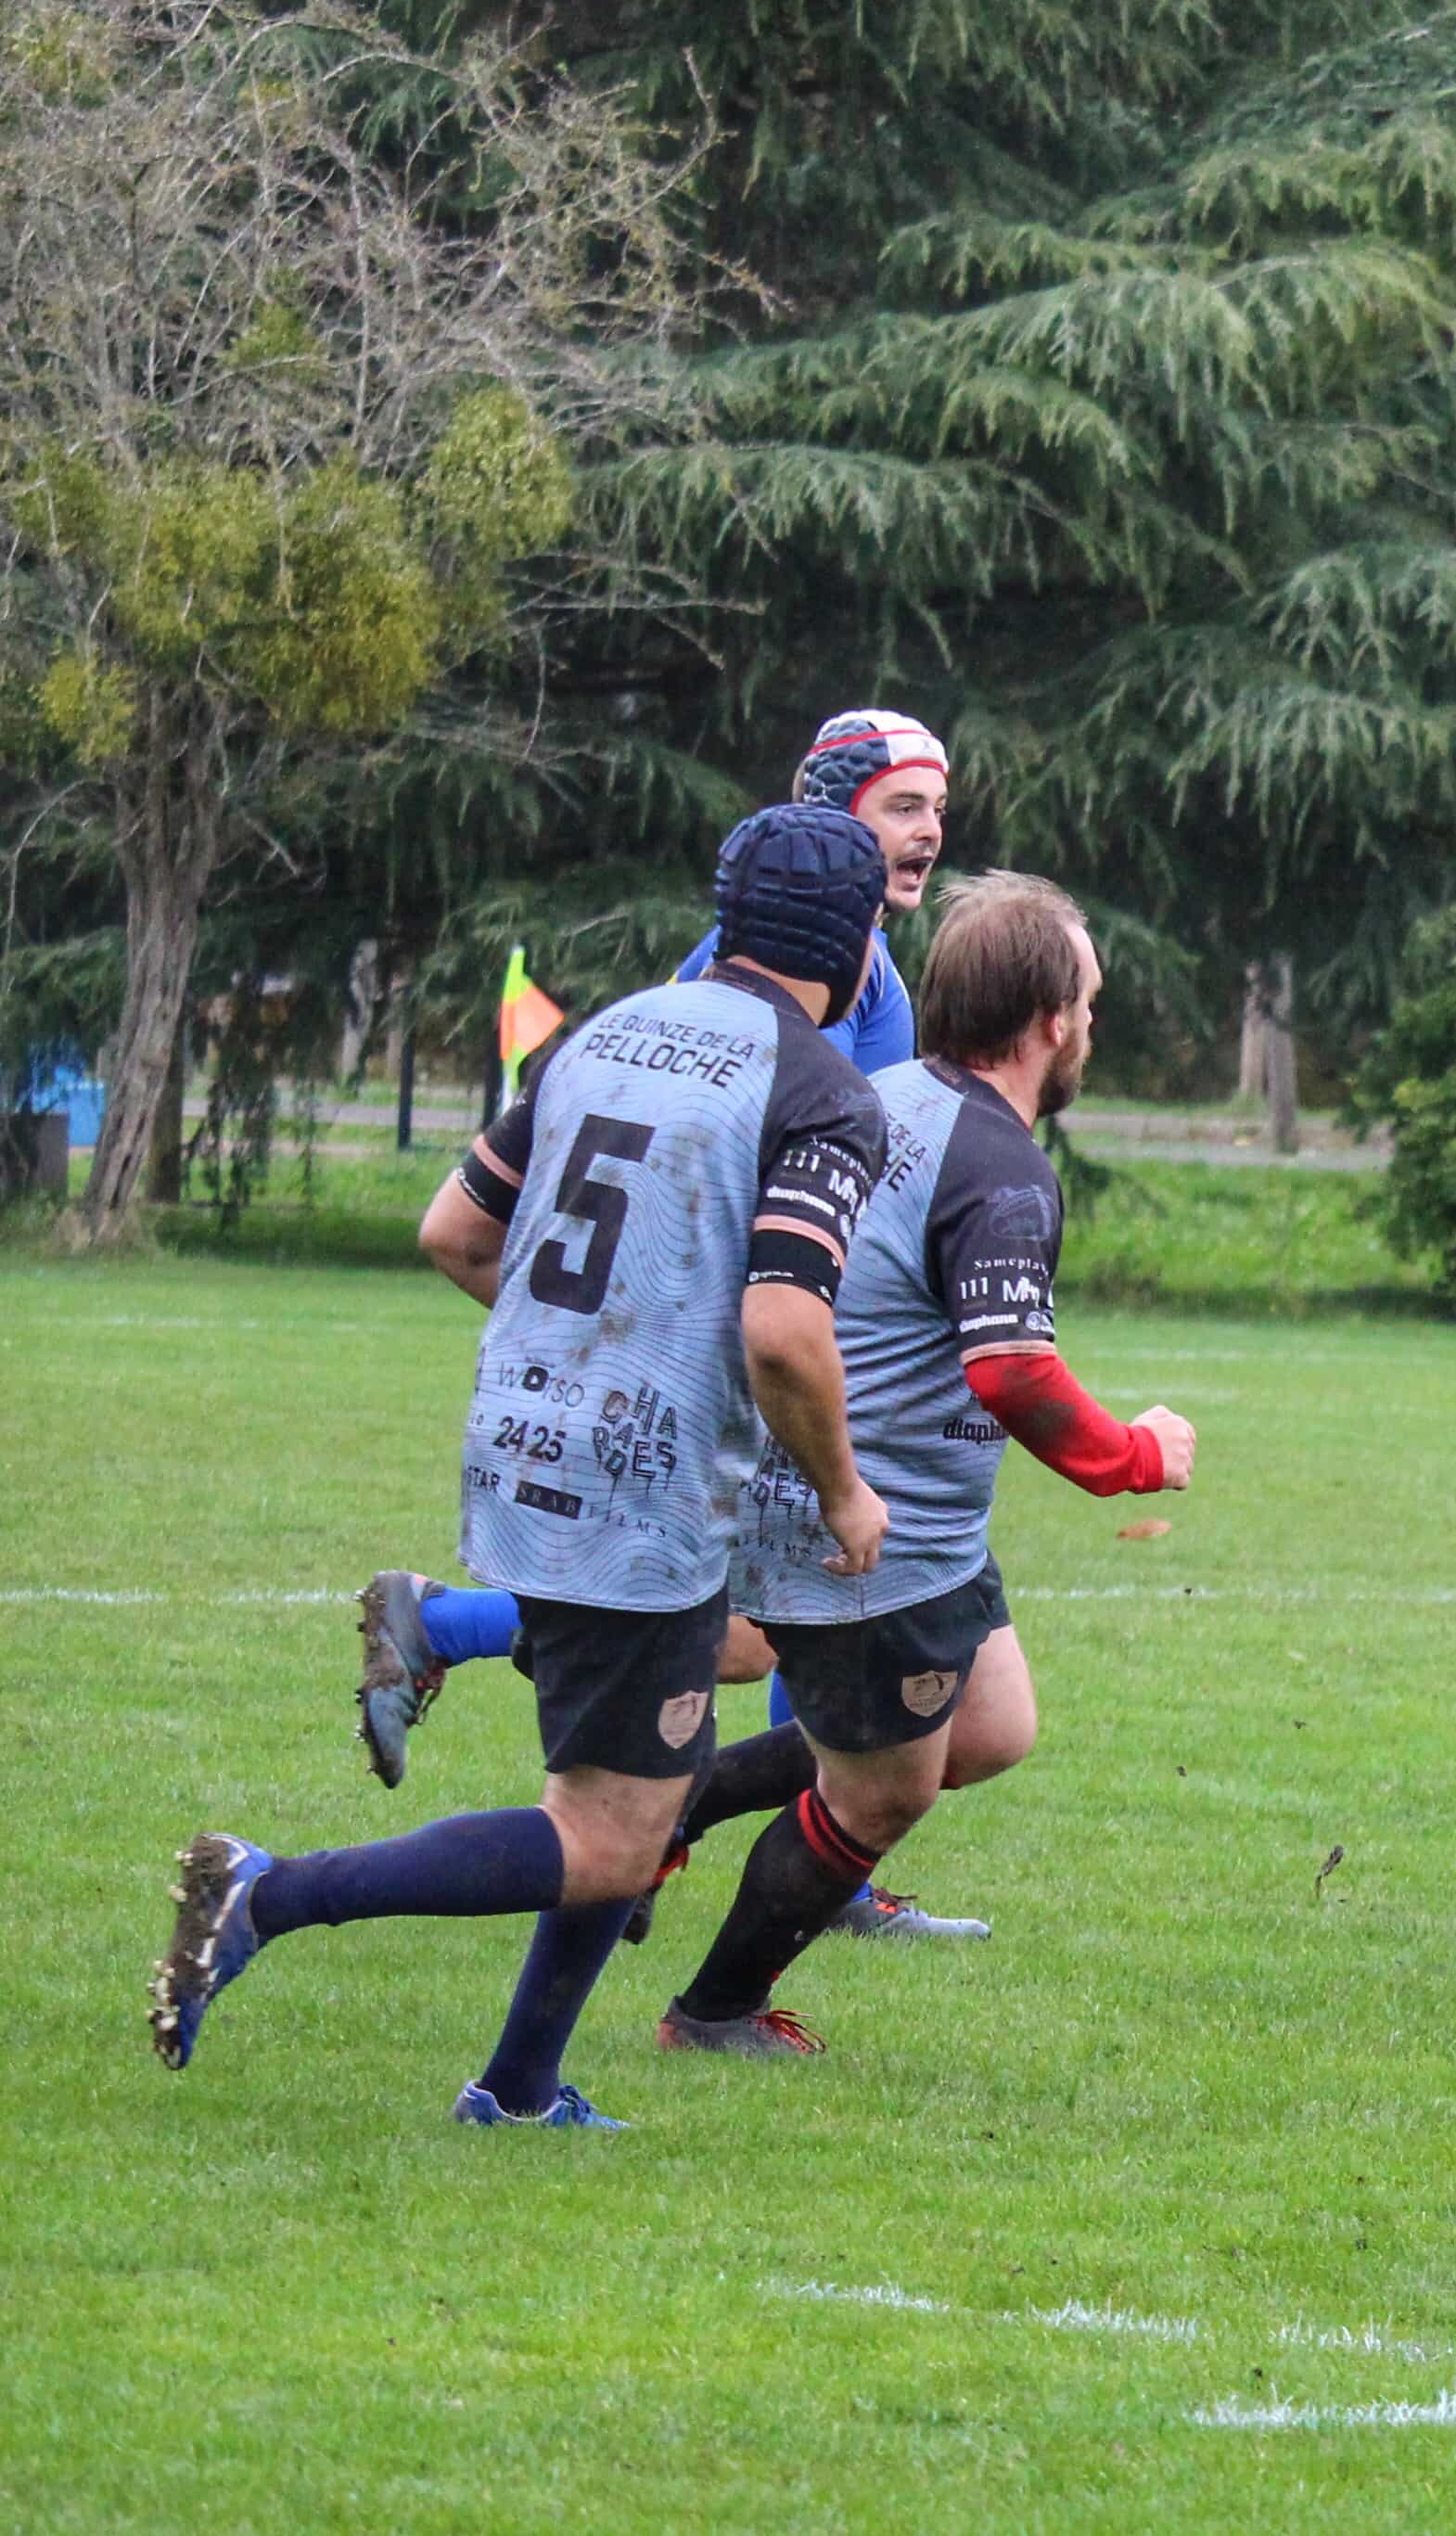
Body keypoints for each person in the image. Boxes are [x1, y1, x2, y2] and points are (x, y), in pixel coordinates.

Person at [149, 806, 892, 2128]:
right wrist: (843, 1489)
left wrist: (589, 1354)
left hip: (521, 1439)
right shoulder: (821, 1089)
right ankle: (269, 1891)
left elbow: (454, 1230)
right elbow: (785, 1328)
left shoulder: (605, 1031)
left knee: (680, 1728)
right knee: (608, 1835)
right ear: (857, 939)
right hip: (643, 1484)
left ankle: (520, 2086)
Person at [351, 707, 982, 1943]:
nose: (930, 832)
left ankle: (656, 1836)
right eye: (905, 806)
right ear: (829, 813)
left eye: (940, 810)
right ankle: (619, 1827)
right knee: (766, 1619)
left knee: (769, 1620)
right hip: (750, 1351)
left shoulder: (865, 972)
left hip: (784, 1336)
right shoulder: (762, 981)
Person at [656, 874, 1194, 2058]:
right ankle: (713, 2012)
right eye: (1088, 1002)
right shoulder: (1001, 1165)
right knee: (882, 1793)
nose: (1092, 1022)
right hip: (871, 1529)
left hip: (916, 1520)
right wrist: (1135, 1455)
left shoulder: (886, 1095)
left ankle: (679, 1804)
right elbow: (1015, 1373)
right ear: (1050, 1021)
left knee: (989, 1727)